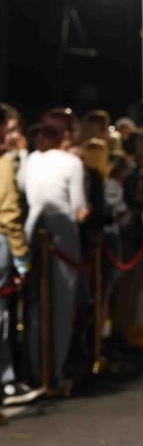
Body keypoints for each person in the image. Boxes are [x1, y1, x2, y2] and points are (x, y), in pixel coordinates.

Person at [23, 121, 89, 390]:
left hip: (32, 229)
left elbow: (23, 189)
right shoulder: (72, 162)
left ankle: (34, 372)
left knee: (34, 304)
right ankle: (55, 373)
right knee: (61, 306)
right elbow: (78, 207)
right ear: (64, 136)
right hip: (61, 230)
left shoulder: (31, 158)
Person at [0, 105, 43, 407]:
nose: (14, 135)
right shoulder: (3, 164)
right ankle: (6, 383)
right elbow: (9, 215)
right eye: (10, 128)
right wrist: (21, 257)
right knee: (2, 317)